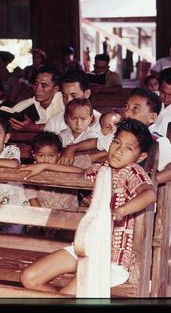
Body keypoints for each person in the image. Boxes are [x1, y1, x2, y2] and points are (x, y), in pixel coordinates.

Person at [18, 119, 157, 294]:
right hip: (87, 247)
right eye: (116, 143)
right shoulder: (104, 167)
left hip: (112, 261)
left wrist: (122, 210)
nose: (119, 151)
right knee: (29, 277)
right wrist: (45, 166)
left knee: (65, 296)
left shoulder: (133, 171)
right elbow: (80, 173)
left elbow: (150, 194)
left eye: (128, 148)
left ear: (141, 156)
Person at [59, 88, 171, 185]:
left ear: (152, 117)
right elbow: (95, 142)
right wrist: (72, 148)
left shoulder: (155, 140)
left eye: (135, 109)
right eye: (127, 107)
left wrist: (146, 180)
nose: (127, 113)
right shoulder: (122, 134)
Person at [7, 65, 64, 132]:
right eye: (36, 84)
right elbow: (10, 114)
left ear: (55, 89)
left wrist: (34, 127)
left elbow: (68, 125)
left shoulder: (64, 100)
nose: (37, 89)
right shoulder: (30, 103)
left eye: (43, 86)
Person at [44, 70, 101, 135]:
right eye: (64, 96)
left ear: (87, 93)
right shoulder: (54, 123)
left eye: (74, 95)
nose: (68, 101)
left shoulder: (103, 123)